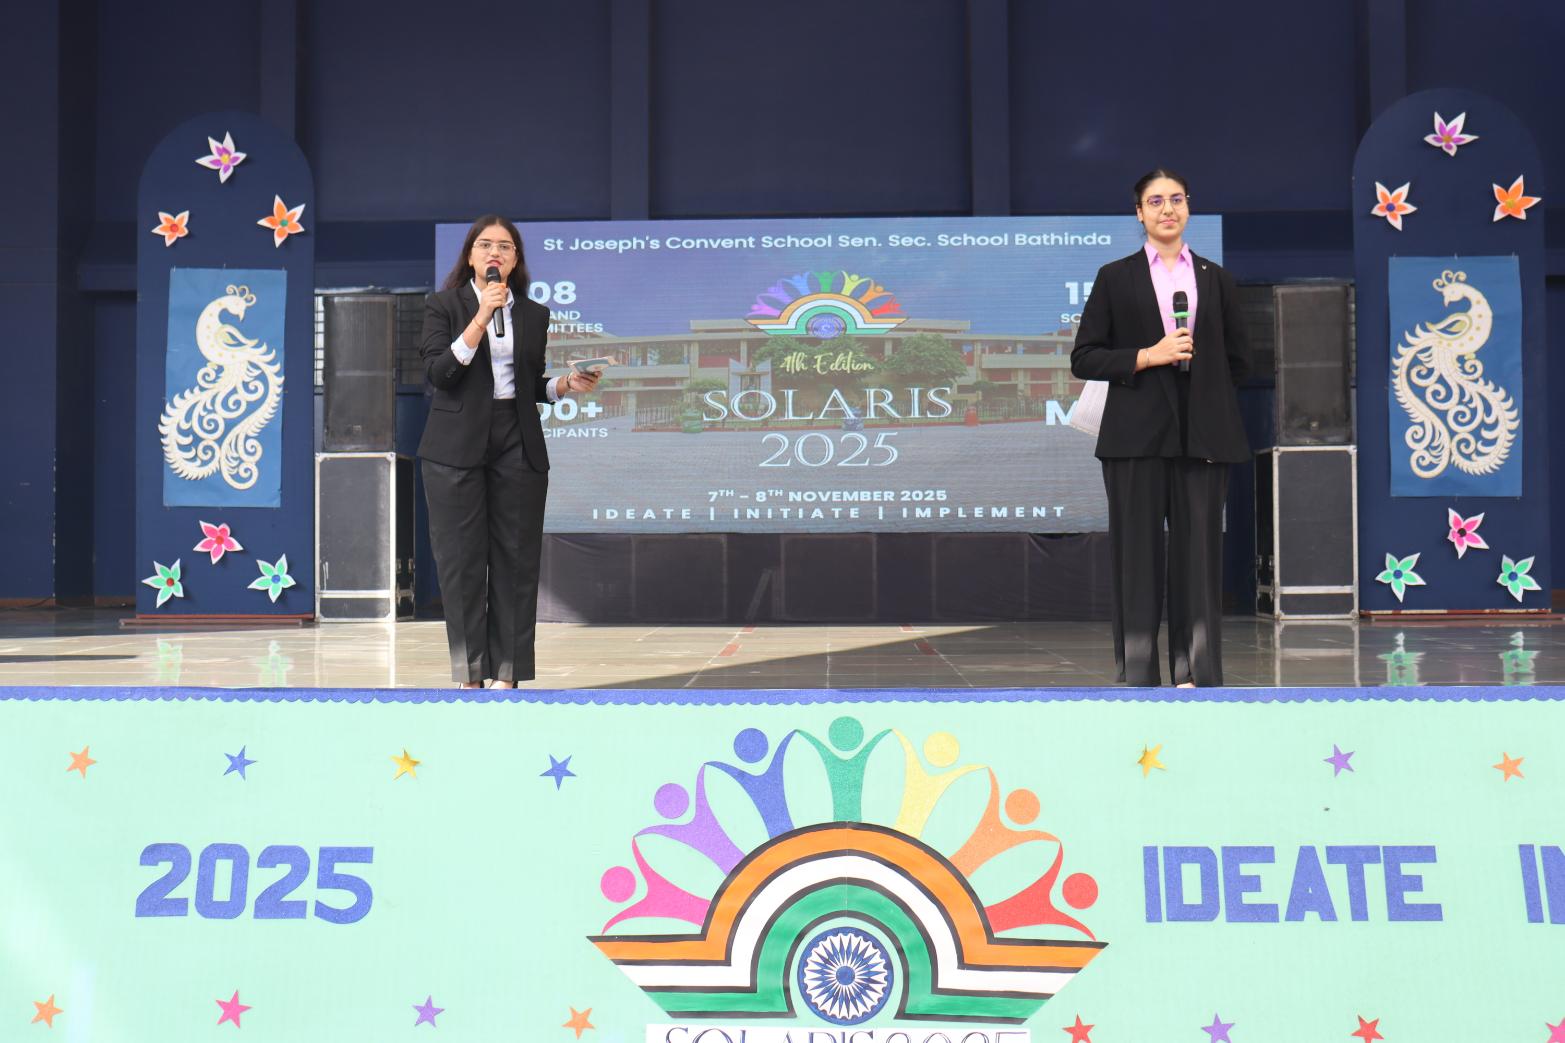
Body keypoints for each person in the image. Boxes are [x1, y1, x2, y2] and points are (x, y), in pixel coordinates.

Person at [1070, 170, 1252, 687]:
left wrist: (1207, 392)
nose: (1167, 209)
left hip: (1204, 438)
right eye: (1155, 201)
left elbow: (1240, 361)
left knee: (1199, 559)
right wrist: (1149, 356)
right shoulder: (1115, 277)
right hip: (1135, 439)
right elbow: (1085, 357)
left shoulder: (1216, 278)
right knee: (1137, 556)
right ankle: (1139, 673)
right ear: (1140, 213)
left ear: (1188, 207)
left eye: (1176, 199)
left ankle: (1197, 672)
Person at [418, 215, 600, 688]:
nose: (494, 253)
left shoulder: (534, 315)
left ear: (516, 259)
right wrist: (481, 317)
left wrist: (565, 384)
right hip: (455, 443)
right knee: (461, 562)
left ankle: (508, 674)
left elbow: (528, 384)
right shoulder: (443, 306)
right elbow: (440, 374)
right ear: (470, 256)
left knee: (516, 559)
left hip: (516, 438)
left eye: (504, 246)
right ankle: (470, 674)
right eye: (485, 245)